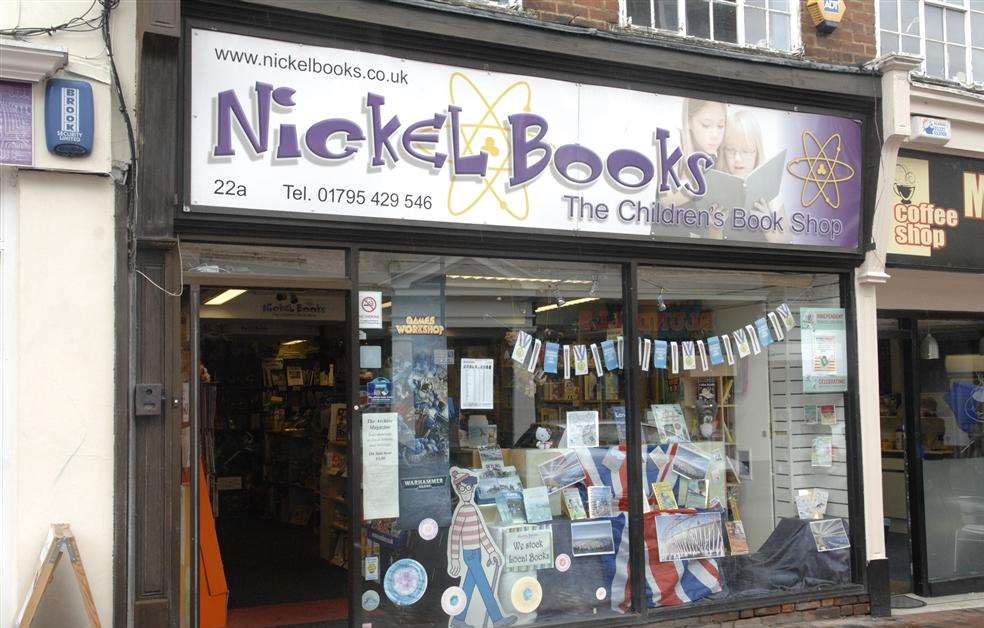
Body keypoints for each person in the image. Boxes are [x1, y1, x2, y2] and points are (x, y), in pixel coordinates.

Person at [447, 467, 517, 628]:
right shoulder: (462, 512)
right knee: (484, 585)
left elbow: (482, 534)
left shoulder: (472, 509)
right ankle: (497, 619)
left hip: (477, 552)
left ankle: (458, 619)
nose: (467, 492)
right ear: (458, 490)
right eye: (463, 489)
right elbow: (455, 537)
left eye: (469, 489)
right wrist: (455, 560)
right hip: (469, 555)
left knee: (468, 586)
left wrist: (492, 551)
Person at [713, 110, 791, 243]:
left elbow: (787, 241)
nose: (737, 158)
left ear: (756, 152)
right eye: (731, 150)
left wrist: (768, 226)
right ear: (723, 151)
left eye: (746, 151)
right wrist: (715, 227)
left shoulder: (771, 188)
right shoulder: (714, 185)